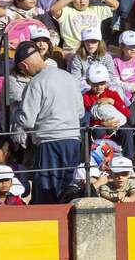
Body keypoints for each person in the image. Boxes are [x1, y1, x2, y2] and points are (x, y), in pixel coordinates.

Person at [11, 42, 84, 204]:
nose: (25, 73)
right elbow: (80, 112)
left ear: (24, 65)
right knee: (67, 191)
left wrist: (16, 112)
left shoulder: (36, 83)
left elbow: (27, 121)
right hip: (73, 141)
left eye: (22, 70)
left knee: (46, 191)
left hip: (50, 142)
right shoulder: (68, 77)